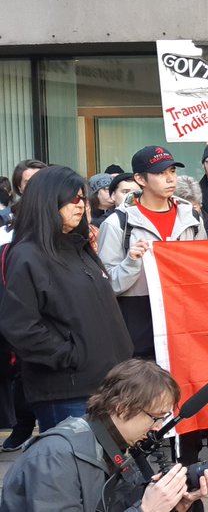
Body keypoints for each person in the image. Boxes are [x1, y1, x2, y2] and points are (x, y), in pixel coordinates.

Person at [0, 165, 134, 431]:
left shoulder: (80, 247)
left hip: (108, 384)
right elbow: (20, 326)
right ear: (49, 202)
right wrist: (70, 356)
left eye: (82, 198)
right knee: (74, 468)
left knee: (106, 469)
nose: (80, 205)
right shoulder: (27, 255)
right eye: (72, 199)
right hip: (66, 391)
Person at [0, 359, 208, 512]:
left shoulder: (117, 446)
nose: (158, 428)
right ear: (122, 409)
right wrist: (146, 509)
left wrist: (175, 506)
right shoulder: (55, 458)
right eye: (156, 417)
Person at [98, 146, 206, 360]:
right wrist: (131, 262)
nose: (170, 179)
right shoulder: (117, 223)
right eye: (160, 173)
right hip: (138, 324)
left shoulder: (191, 218)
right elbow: (106, 287)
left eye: (172, 172)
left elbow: (203, 271)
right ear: (140, 178)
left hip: (183, 321)